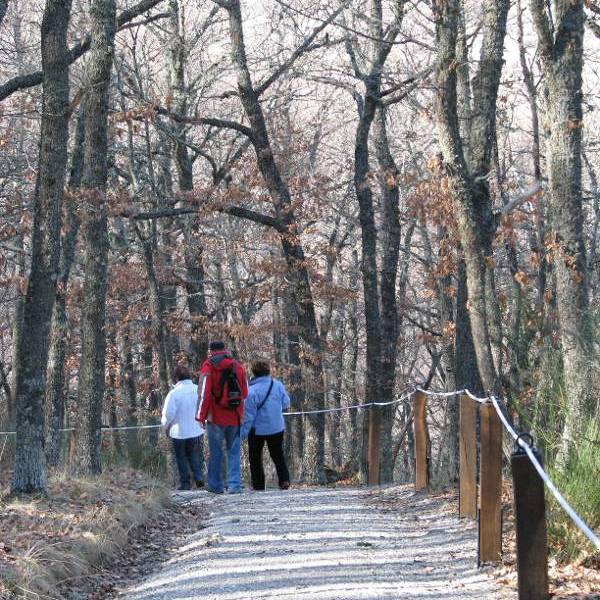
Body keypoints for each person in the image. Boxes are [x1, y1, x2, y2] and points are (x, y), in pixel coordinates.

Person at [196, 341, 248, 494]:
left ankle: (215, 485)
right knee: (234, 452)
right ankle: (234, 485)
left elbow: (204, 394)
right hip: (235, 416)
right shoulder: (238, 366)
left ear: (210, 351)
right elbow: (245, 393)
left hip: (216, 417)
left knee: (216, 452)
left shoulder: (208, 366)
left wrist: (200, 416)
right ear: (225, 350)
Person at [241, 360, 291, 491]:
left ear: (254, 373)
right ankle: (284, 479)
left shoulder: (251, 391)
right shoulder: (277, 385)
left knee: (255, 457)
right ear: (268, 371)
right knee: (278, 454)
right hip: (276, 426)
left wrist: (243, 433)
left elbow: (248, 416)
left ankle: (258, 485)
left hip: (257, 429)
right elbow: (286, 402)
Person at [161, 364, 205, 491]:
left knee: (181, 457)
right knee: (194, 455)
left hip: (179, 431)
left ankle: (185, 483)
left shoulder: (174, 394)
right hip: (195, 429)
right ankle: (198, 477)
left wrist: (165, 426)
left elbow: (169, 414)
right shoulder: (197, 390)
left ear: (176, 378)